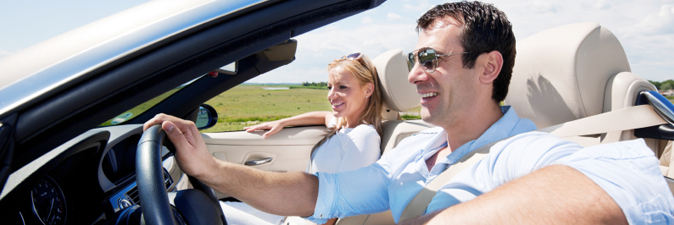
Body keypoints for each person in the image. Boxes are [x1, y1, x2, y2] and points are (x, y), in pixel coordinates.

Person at [144, 1, 674, 224]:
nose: (415, 74)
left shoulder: (521, 151)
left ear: (488, 68)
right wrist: (212, 170)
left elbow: (633, 185)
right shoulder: (416, 153)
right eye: (414, 59)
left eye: (431, 60)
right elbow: (319, 193)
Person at [220, 52, 383, 225]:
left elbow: (341, 208)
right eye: (330, 87)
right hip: (292, 215)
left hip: (303, 221)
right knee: (214, 206)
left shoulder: (364, 137)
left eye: (342, 87)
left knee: (209, 212)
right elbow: (324, 115)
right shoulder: (342, 126)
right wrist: (283, 122)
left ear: (368, 90)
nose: (331, 95)